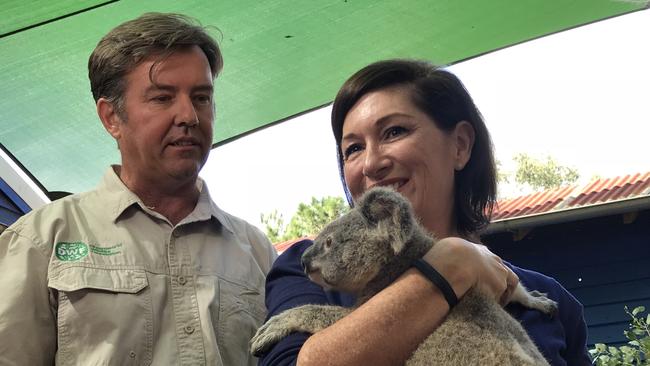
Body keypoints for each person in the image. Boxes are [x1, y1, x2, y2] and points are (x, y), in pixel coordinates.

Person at [258, 59, 590, 365]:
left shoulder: (544, 299)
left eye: (394, 132)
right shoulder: (311, 268)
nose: (372, 163)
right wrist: (449, 268)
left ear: (460, 145)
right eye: (353, 149)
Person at [0, 13, 276, 365]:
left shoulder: (258, 253)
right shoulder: (41, 242)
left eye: (202, 97)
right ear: (111, 117)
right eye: (162, 98)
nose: (189, 116)